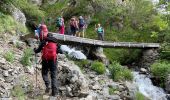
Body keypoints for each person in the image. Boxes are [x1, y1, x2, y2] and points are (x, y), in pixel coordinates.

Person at [34, 24, 60, 96]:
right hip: (53, 60)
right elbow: (60, 51)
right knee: (53, 76)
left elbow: (38, 50)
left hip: (45, 60)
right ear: (52, 36)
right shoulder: (56, 42)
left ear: (47, 36)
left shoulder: (44, 41)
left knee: (44, 73)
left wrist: (35, 50)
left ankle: (47, 84)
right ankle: (54, 93)